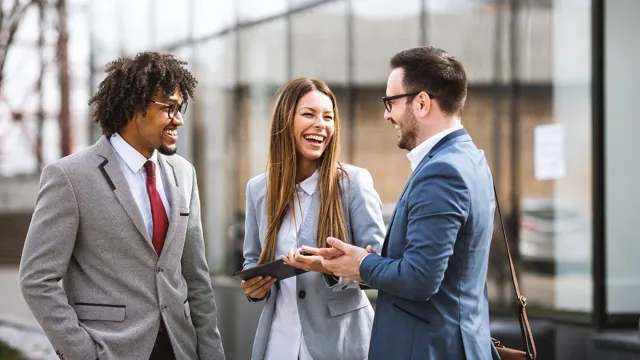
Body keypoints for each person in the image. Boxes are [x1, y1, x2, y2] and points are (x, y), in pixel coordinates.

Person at [19, 52, 225, 360]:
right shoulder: (70, 177)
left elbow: (196, 279)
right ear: (135, 108)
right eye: (168, 107)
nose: (179, 118)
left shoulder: (184, 173)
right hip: (113, 350)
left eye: (180, 107)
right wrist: (85, 354)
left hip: (181, 349)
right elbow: (37, 279)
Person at [307, 47, 501, 360]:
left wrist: (361, 265)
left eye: (391, 102)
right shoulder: (471, 158)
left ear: (422, 103)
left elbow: (419, 279)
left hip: (429, 349)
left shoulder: (443, 170)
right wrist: (362, 261)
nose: (387, 114)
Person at [240, 78, 386, 360]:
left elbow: (379, 264)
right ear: (286, 120)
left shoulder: (353, 182)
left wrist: (330, 268)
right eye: (309, 114)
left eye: (328, 117)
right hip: (278, 344)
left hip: (340, 344)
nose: (321, 124)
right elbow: (251, 260)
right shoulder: (258, 189)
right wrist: (254, 288)